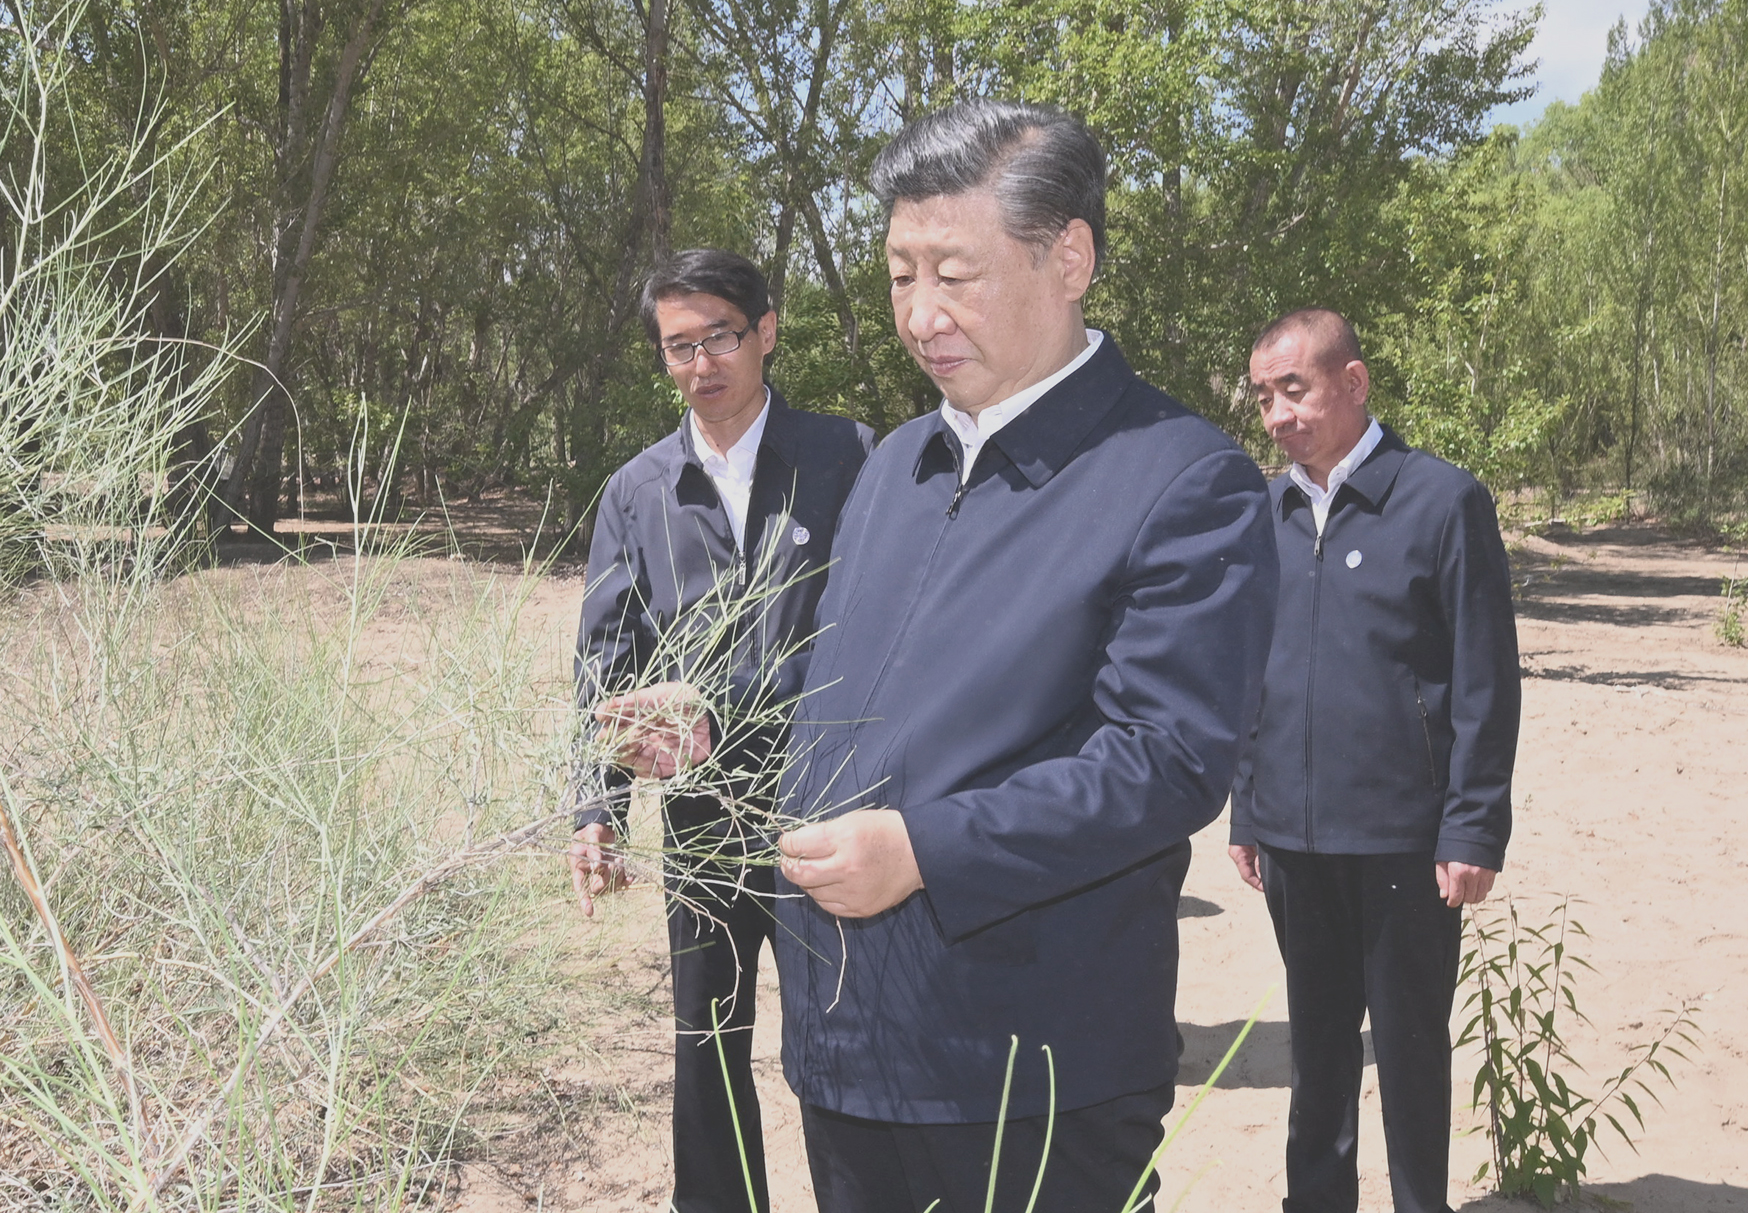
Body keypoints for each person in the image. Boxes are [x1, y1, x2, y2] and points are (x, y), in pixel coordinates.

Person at [770, 100, 1280, 1213]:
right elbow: (846, 696)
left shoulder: (1181, 480)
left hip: (1025, 1065)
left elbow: (1164, 760)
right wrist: (718, 729)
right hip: (843, 1038)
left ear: (1069, 258)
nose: (919, 313)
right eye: (899, 274)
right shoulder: (893, 460)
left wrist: (924, 850)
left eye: (952, 271)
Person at [570, 249, 873, 1213]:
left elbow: (892, 627)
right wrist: (598, 809)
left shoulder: (851, 458)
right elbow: (605, 663)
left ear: (767, 330)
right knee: (708, 1042)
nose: (703, 364)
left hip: (837, 800)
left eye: (721, 337)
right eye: (678, 347)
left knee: (846, 1036)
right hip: (704, 817)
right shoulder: (637, 492)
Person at [1229, 307, 1521, 1213]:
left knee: (1407, 1049)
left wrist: (1473, 825)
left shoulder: (1442, 501)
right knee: (1317, 1048)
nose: (1277, 414)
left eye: (1295, 390)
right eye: (1264, 396)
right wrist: (1248, 807)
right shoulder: (1264, 510)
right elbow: (1251, 673)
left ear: (1353, 384)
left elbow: (1486, 678)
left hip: (1406, 840)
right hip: (1293, 839)